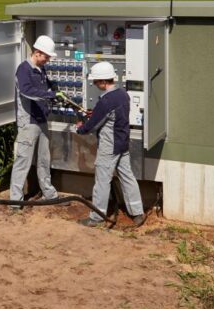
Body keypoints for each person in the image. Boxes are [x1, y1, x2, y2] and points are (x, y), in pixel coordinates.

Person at [75, 61, 145, 228]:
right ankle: (137, 213)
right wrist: (95, 113)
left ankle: (97, 217)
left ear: (102, 81)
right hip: (123, 143)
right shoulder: (123, 94)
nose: (94, 84)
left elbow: (91, 127)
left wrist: (80, 127)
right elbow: (109, 116)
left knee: (102, 181)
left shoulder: (105, 101)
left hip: (109, 146)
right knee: (128, 177)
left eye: (95, 81)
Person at [10, 35, 66, 205]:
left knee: (44, 159)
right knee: (23, 161)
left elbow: (46, 87)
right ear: (37, 52)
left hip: (41, 120)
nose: (48, 60)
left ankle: (49, 195)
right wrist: (50, 94)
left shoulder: (41, 69)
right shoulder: (23, 69)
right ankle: (15, 201)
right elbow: (27, 91)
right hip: (28, 122)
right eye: (46, 57)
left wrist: (54, 91)